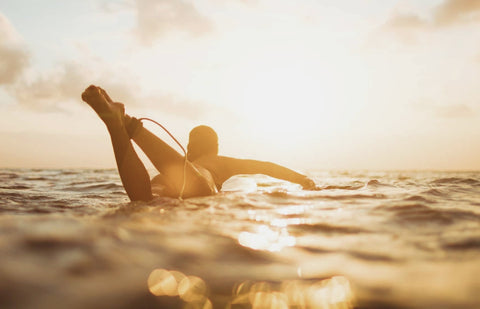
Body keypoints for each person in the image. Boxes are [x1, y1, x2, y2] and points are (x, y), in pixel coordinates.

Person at [81, 85, 317, 201]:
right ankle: (129, 126)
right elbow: (266, 166)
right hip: (195, 179)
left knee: (144, 199)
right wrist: (303, 179)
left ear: (190, 147)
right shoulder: (220, 162)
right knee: (196, 186)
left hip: (164, 181)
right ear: (215, 146)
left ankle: (118, 127)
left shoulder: (182, 162)